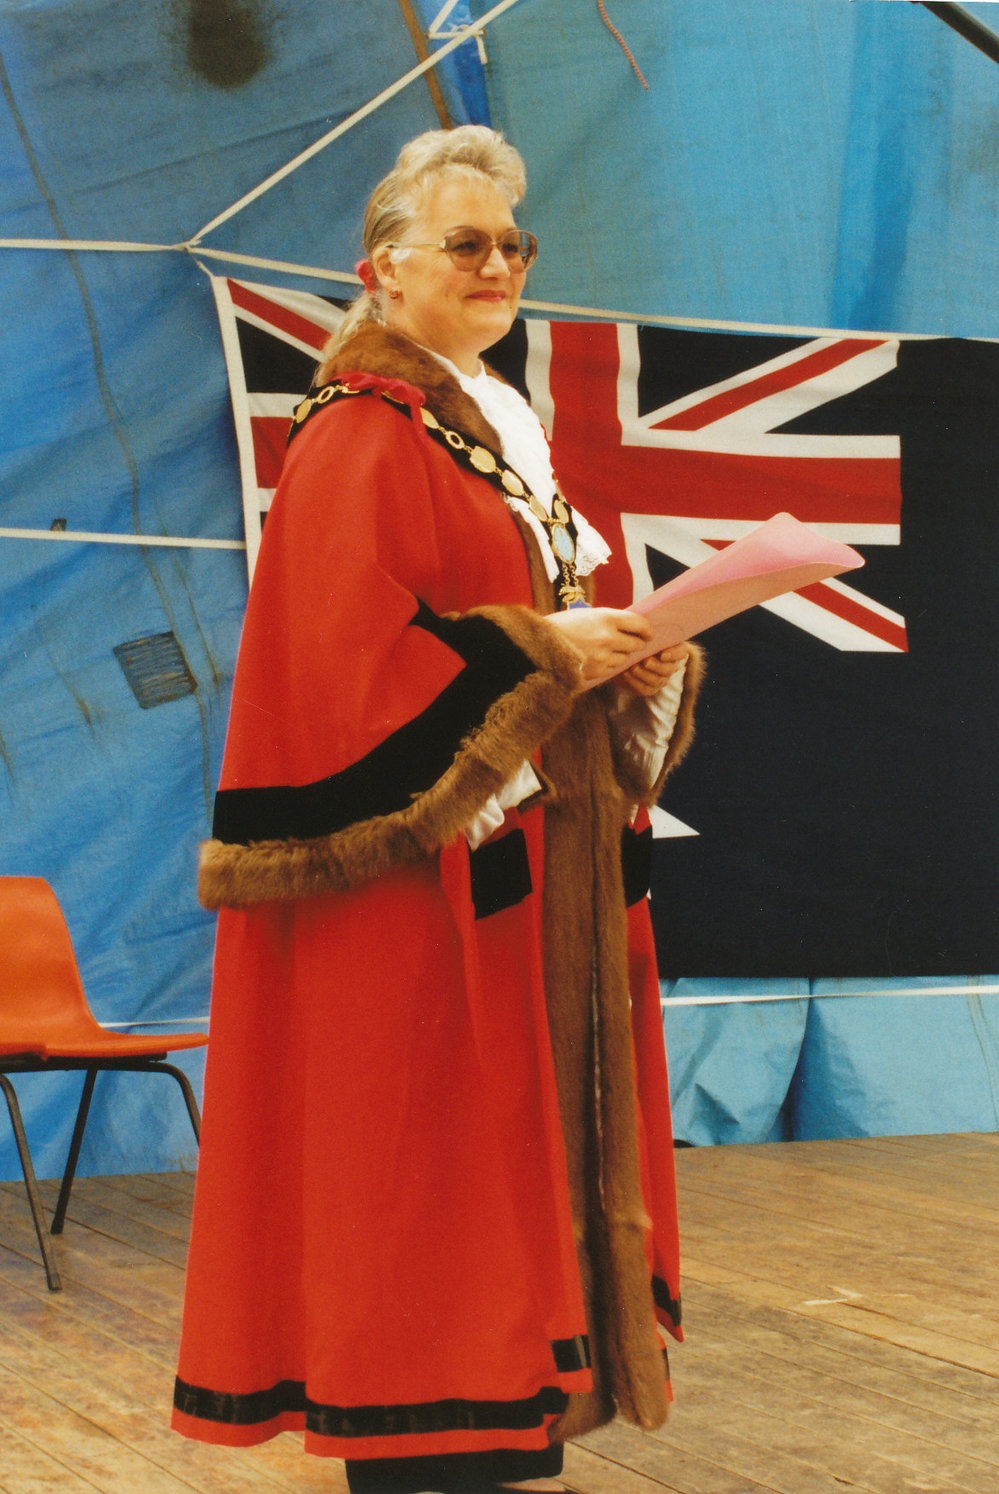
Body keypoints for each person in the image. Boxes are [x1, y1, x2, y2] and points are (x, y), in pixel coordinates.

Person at [172, 126, 704, 1494]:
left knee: (497, 1206)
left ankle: (506, 1416)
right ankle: (437, 1432)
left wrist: (618, 651)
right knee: (424, 1200)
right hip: (419, 902)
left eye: (513, 245)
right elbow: (346, 664)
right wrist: (541, 656)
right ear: (382, 268)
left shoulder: (486, 433)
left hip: (523, 878)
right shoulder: (361, 432)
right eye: (465, 242)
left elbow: (521, 628)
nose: (498, 264)